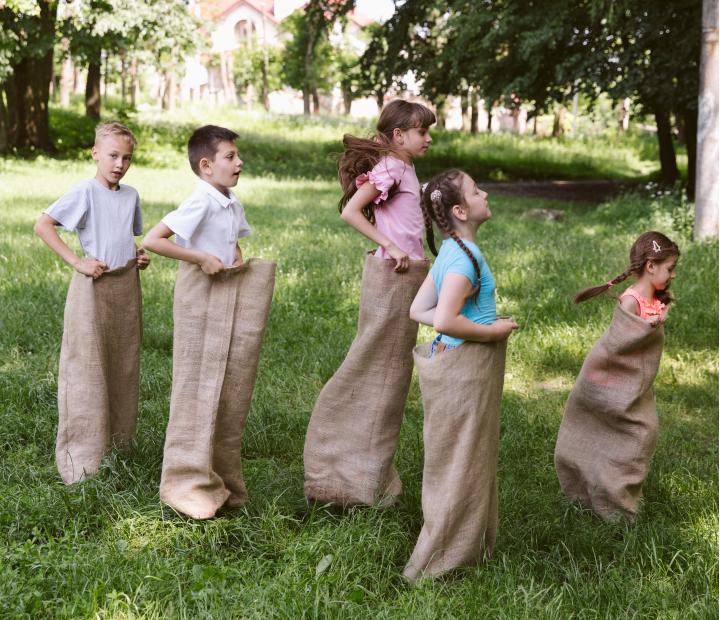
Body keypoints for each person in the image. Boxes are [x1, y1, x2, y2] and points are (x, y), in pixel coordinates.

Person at [303, 99, 435, 507]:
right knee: (375, 368)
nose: (428, 139)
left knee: (390, 376)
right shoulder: (393, 167)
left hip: (406, 275)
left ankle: (365, 477)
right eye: (422, 132)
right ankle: (339, 469)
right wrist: (389, 245)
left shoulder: (406, 168)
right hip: (392, 276)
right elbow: (352, 213)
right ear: (399, 136)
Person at [143, 125, 276, 520]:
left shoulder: (230, 200)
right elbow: (154, 240)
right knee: (197, 380)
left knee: (228, 382)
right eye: (231, 157)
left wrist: (234, 253)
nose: (239, 162)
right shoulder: (200, 200)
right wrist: (201, 257)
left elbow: (233, 240)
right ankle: (185, 478)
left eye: (237, 156)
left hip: (226, 292)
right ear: (206, 165)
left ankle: (220, 476)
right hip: (200, 297)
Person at [402, 169, 517, 582]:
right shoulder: (466, 260)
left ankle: (467, 546)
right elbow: (446, 321)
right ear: (460, 210)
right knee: (461, 461)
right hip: (465, 368)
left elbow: (419, 311)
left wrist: (474, 316)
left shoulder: (453, 250)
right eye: (476, 190)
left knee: (461, 456)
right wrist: (490, 330)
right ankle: (438, 562)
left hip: (454, 361)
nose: (484, 193)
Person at [34, 120, 149, 484]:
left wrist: (139, 255)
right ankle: (82, 456)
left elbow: (123, 237)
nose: (119, 164)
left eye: (126, 158)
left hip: (125, 288)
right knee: (87, 367)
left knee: (122, 365)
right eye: (113, 155)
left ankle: (118, 446)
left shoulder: (130, 196)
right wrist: (77, 261)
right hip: (93, 288)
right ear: (95, 154)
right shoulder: (85, 191)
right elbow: (43, 225)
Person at [555, 231, 679, 521]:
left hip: (636, 387)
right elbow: (620, 343)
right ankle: (610, 503)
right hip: (610, 382)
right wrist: (649, 325)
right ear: (651, 266)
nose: (672, 275)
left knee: (640, 435)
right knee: (633, 433)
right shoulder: (631, 301)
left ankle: (616, 496)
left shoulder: (654, 299)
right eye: (669, 268)